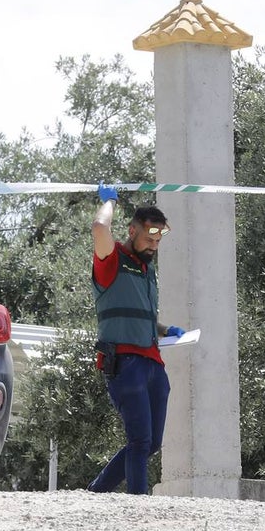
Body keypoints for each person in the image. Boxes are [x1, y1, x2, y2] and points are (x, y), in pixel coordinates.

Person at [86, 182, 185, 494]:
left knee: (150, 443)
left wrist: (166, 330)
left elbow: (136, 313)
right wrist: (110, 201)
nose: (154, 245)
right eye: (149, 238)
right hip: (126, 365)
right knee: (140, 440)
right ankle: (139, 505)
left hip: (154, 364)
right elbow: (100, 228)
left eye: (158, 240)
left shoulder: (145, 269)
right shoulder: (111, 259)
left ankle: (97, 492)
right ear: (132, 231)